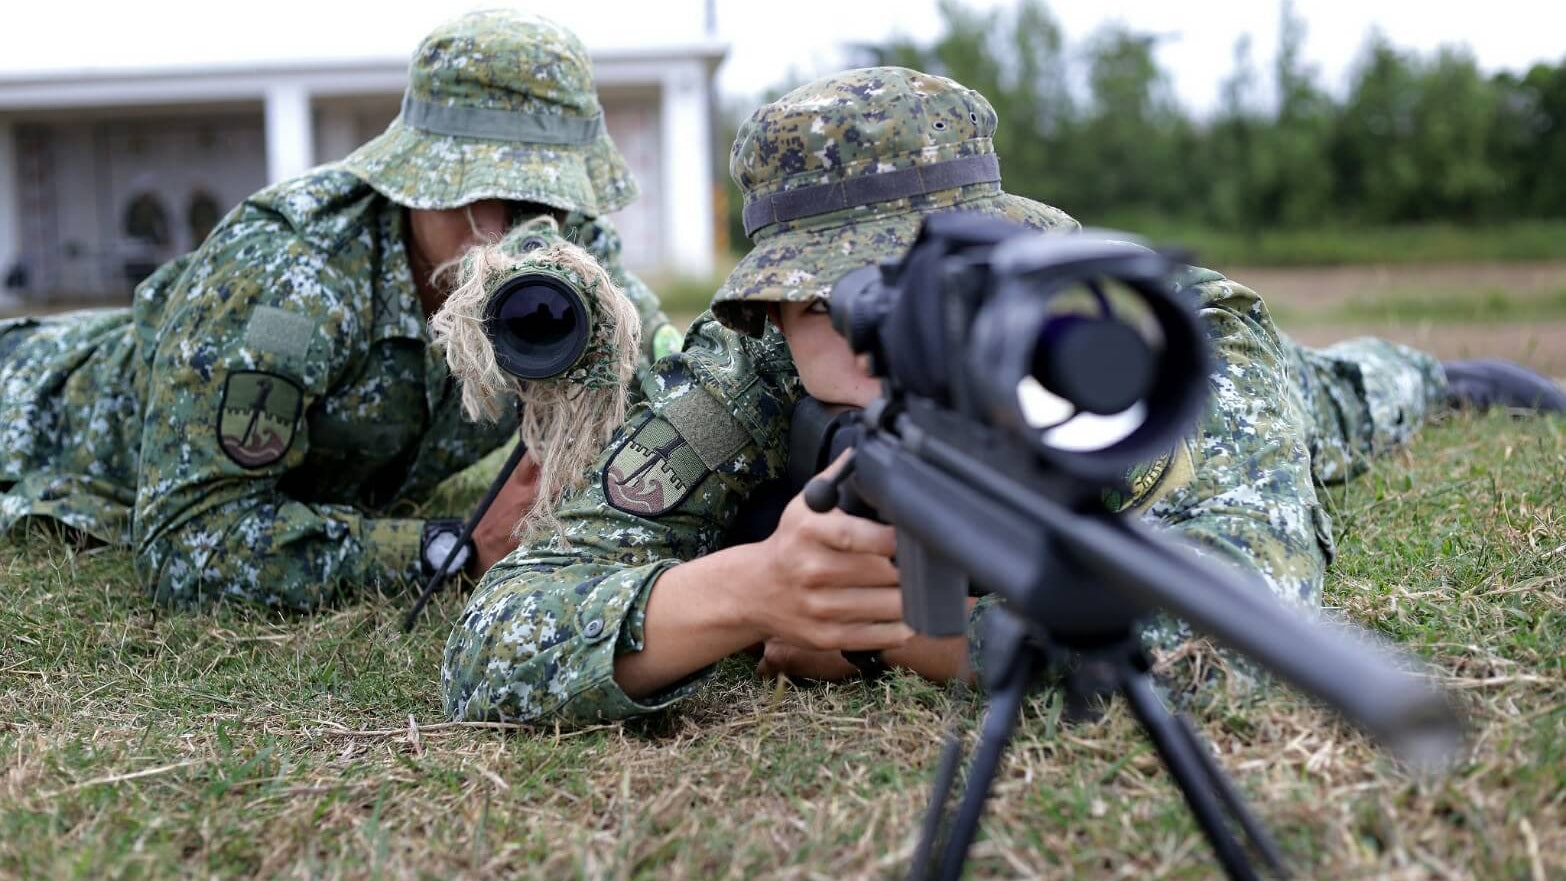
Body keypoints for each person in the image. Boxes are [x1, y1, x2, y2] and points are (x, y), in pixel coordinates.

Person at [440, 67, 1566, 724]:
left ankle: (1450, 372)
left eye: (922, 283)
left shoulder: (1157, 341)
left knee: (1349, 394)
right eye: (831, 301)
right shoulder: (751, 373)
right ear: (773, 313)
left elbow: (1233, 634)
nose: (881, 331)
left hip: (1202, 392)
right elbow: (493, 640)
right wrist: (750, 592)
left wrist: (913, 640)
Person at [0, 10, 681, 611]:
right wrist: (449, 548)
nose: (517, 229)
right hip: (31, 408)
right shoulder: (290, 279)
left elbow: (670, 362)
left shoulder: (566, 256)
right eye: (489, 188)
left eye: (548, 199)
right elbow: (188, 538)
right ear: (423, 177)